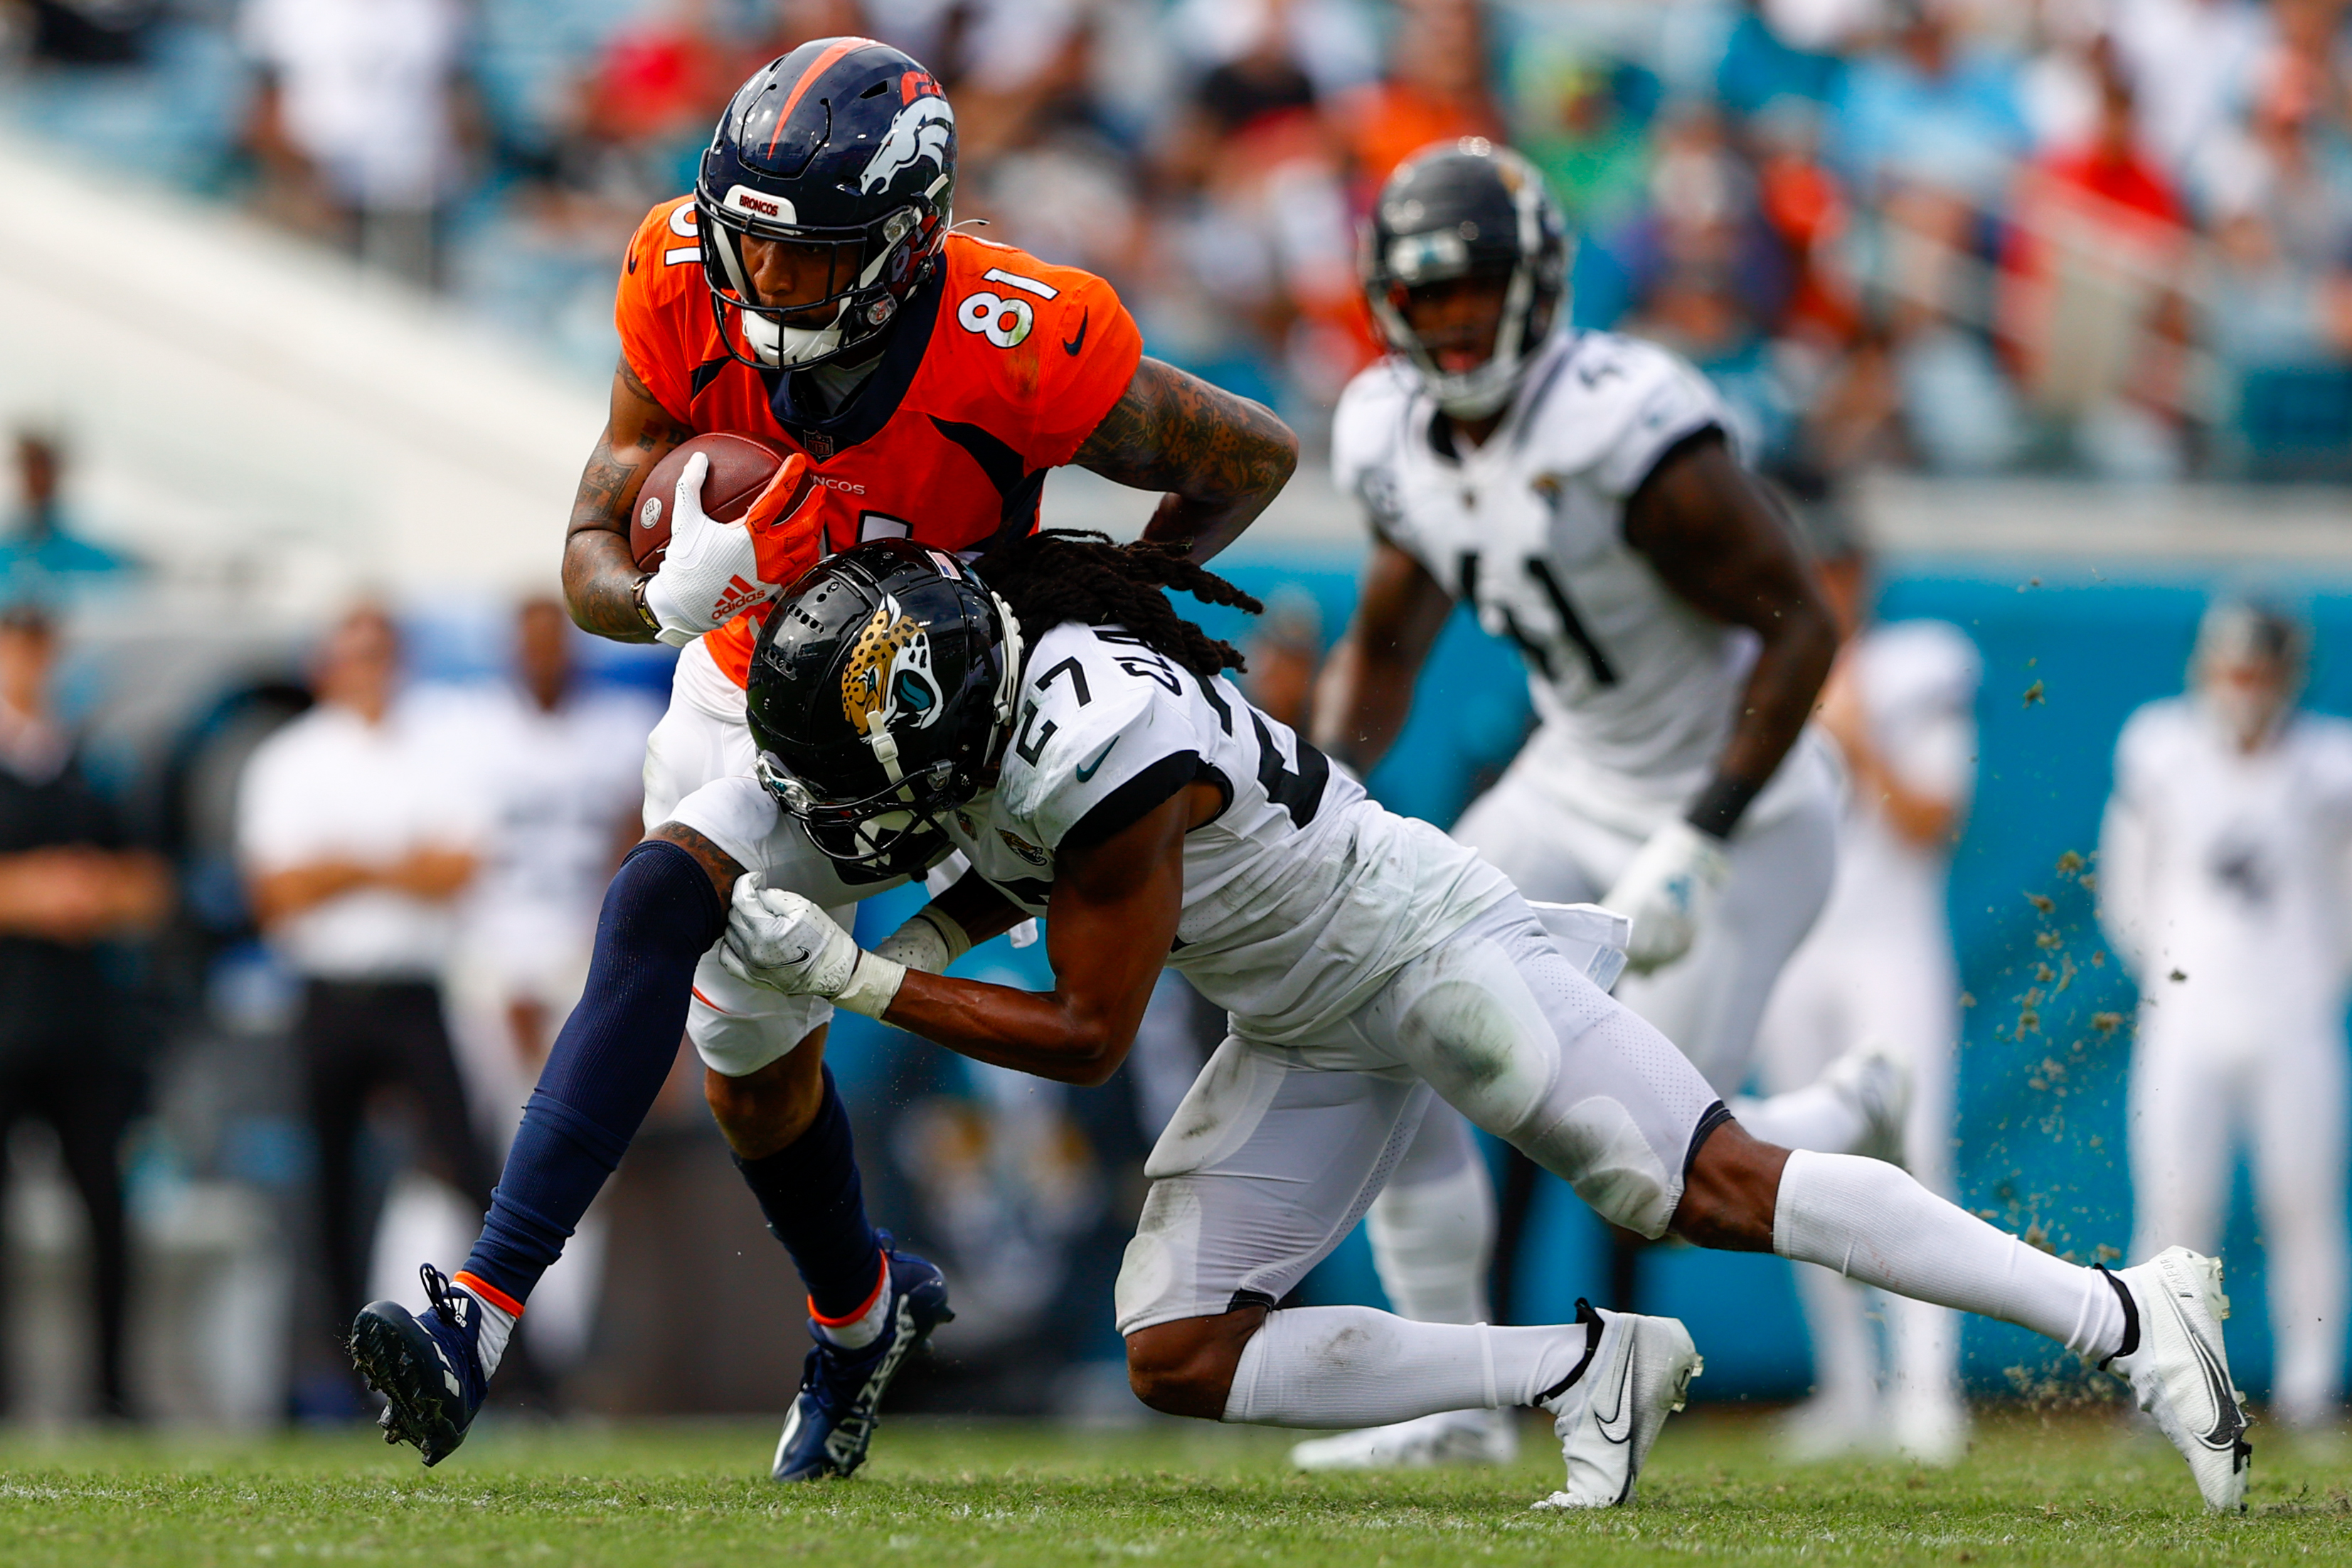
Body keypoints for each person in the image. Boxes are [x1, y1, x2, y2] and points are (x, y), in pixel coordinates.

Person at [629, 533, 2237, 1511]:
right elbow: (1010, 877)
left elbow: (1086, 1031)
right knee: (1175, 1349)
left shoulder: (1085, 743)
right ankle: (1574, 1375)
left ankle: (2126, 1312)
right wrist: (897, 937)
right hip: (1300, 1010)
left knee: (1703, 1186)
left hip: (1406, 943)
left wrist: (849, 978)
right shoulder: (1002, 705)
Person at [356, 36, 1297, 1481]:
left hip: (935, 721)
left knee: (654, 903)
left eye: (811, 264)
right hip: (746, 685)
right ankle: (862, 1311)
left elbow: (1250, 455)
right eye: (754, 252)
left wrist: (1092, 606)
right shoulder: (680, 277)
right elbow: (587, 551)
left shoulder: (1018, 335)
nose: (768, 288)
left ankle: (478, 1308)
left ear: (912, 241)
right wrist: (668, 593)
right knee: (751, 1077)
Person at [1297, 140, 1887, 1468]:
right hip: (1568, 778)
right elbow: (1389, 634)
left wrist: (1700, 836)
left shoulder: (1630, 431)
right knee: (1387, 1023)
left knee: (1665, 1176)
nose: (1447, 322)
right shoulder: (1390, 430)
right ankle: (1452, 1402)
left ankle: (1851, 1106)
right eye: (1423, 296)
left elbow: (1801, 630)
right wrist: (1327, 786)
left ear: (1538, 287)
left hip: (1740, 805)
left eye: (1471, 291)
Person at [1754, 519, 1982, 1463]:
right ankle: (1847, 1386)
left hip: (1889, 941)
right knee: (1797, 1170)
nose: (1826, 584)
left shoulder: (1912, 669)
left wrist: (1858, 738)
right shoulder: (1760, 664)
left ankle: (1928, 1391)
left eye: (1838, 567)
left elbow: (1934, 818)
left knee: (1913, 1153)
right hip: (1794, 946)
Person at [2098, 597, 2352, 1441]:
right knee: (2173, 1208)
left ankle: (2311, 1390)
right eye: (2231, 667)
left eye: (2257, 669)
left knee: (2301, 1202)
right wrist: (2169, 975)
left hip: (2291, 1018)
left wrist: (2316, 984)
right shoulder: (2160, 746)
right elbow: (2125, 885)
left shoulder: (2328, 761)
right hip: (2185, 1015)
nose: (2242, 687)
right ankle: (2167, 1390)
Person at [238, 602, 494, 1397]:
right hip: (329, 994)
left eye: (380, 651)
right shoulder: (289, 759)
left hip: (412, 989)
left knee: (467, 1165)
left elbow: (459, 868)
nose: (369, 668)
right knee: (329, 1189)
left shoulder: (436, 747)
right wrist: (393, 866)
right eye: (355, 653)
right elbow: (277, 893)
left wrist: (340, 867)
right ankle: (338, 1376)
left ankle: (515, 1354)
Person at [442, 599, 659, 1371]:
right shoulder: (466, 730)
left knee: (575, 1169)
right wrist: (504, 976)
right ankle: (447, 1342)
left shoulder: (619, 726)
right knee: (459, 1163)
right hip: (482, 966)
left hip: (579, 958)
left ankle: (550, 1366)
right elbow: (453, 862)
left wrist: (578, 966)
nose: (540, 657)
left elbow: (631, 856)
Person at [0, 604, 171, 1419]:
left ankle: (110, 1388)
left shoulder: (85, 769)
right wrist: (31, 892)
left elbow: (150, 884)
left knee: (106, 1209)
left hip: (82, 1028)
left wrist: (93, 890)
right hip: (9, 1022)